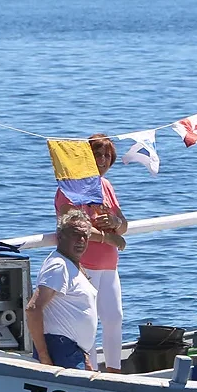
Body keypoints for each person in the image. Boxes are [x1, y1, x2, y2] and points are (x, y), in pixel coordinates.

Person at [54, 134, 128, 371]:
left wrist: (115, 222)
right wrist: (109, 237)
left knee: (114, 319)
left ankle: (115, 372)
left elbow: (124, 223)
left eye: (108, 156)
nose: (104, 160)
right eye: (98, 154)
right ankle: (91, 373)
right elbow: (74, 227)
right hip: (83, 265)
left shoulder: (105, 186)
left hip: (109, 264)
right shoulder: (69, 189)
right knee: (88, 323)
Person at [27, 210, 98, 370]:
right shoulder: (58, 266)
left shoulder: (72, 265)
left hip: (73, 351)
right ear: (60, 236)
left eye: (85, 236)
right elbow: (33, 309)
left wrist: (83, 353)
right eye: (75, 235)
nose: (81, 240)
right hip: (60, 350)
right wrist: (44, 356)